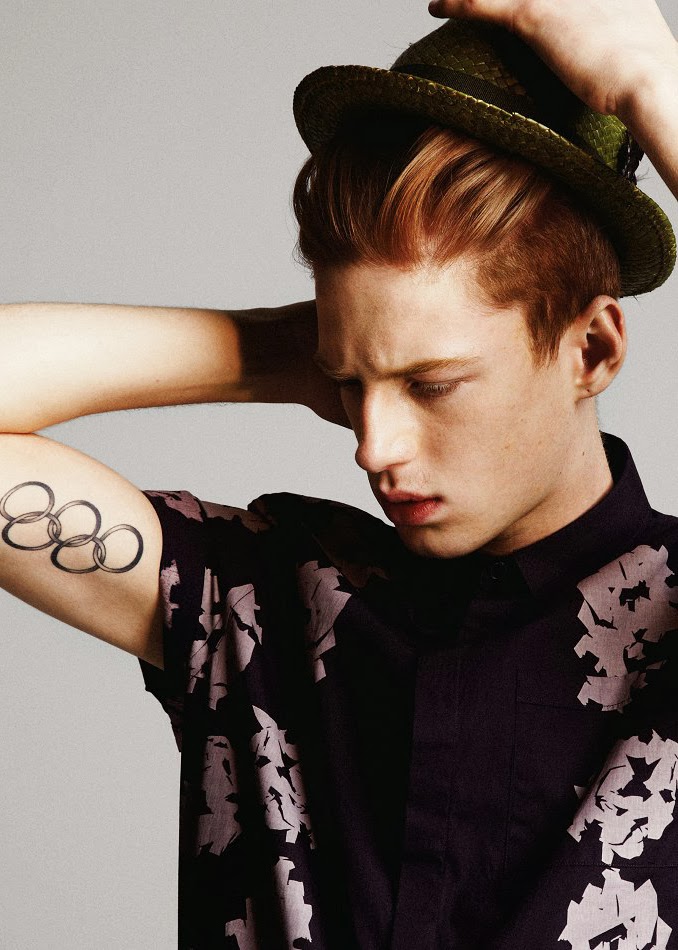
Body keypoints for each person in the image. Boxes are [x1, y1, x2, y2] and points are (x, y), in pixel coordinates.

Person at [0, 0, 676, 947]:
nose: (373, 446)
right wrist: (288, 350)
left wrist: (654, 83)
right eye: (350, 386)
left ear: (593, 349)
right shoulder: (260, 600)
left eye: (432, 384)